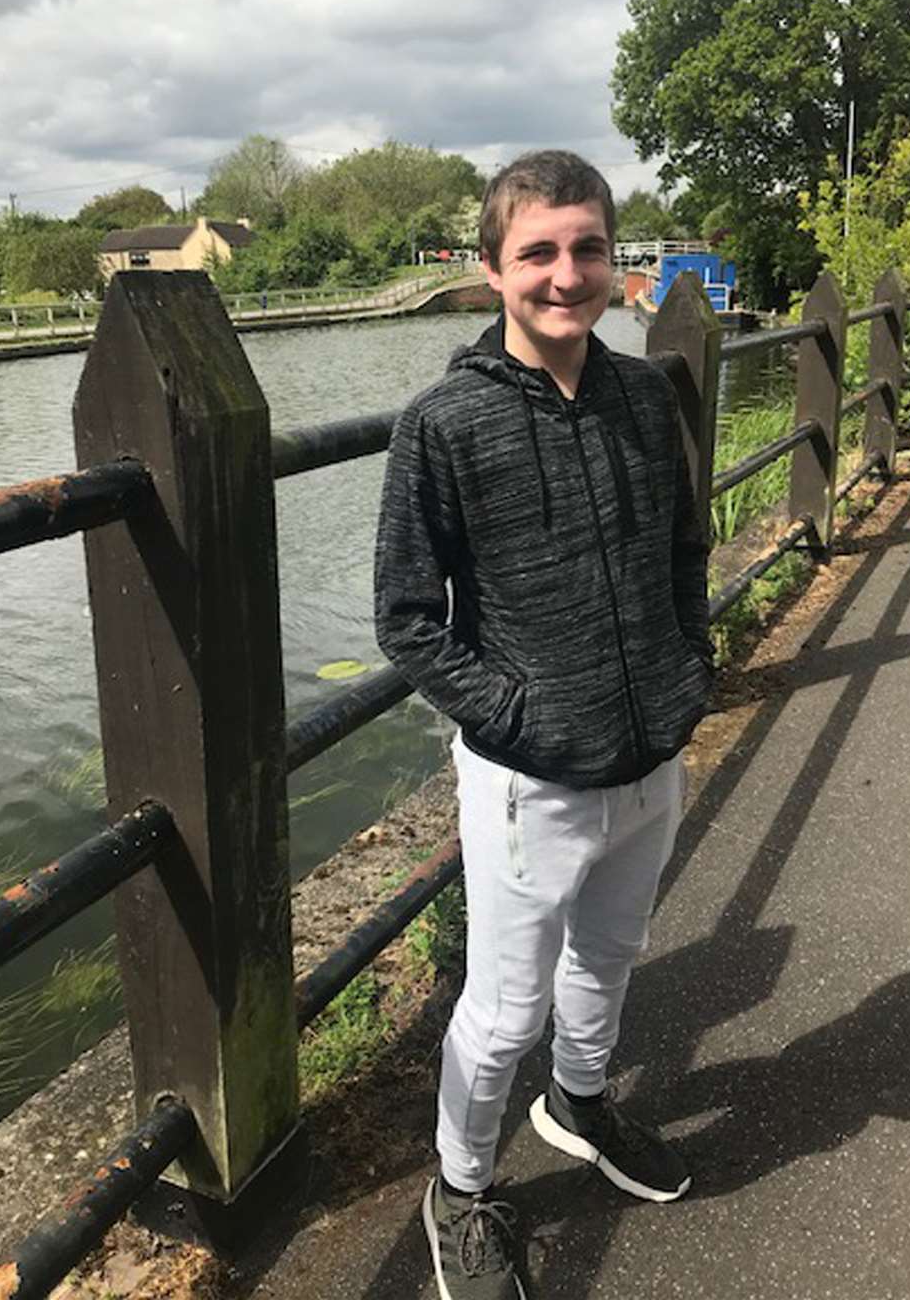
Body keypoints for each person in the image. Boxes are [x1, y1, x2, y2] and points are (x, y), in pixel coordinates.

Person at [374, 150, 713, 1299]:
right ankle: (461, 1187)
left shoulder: (646, 393)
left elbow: (684, 548)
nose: (566, 275)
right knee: (507, 1000)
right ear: (491, 270)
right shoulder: (444, 424)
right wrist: (521, 715)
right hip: (531, 779)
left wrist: (686, 673)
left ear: (616, 261)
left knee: (613, 958)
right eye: (538, 253)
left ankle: (580, 1103)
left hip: (650, 751)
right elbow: (409, 621)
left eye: (587, 249)